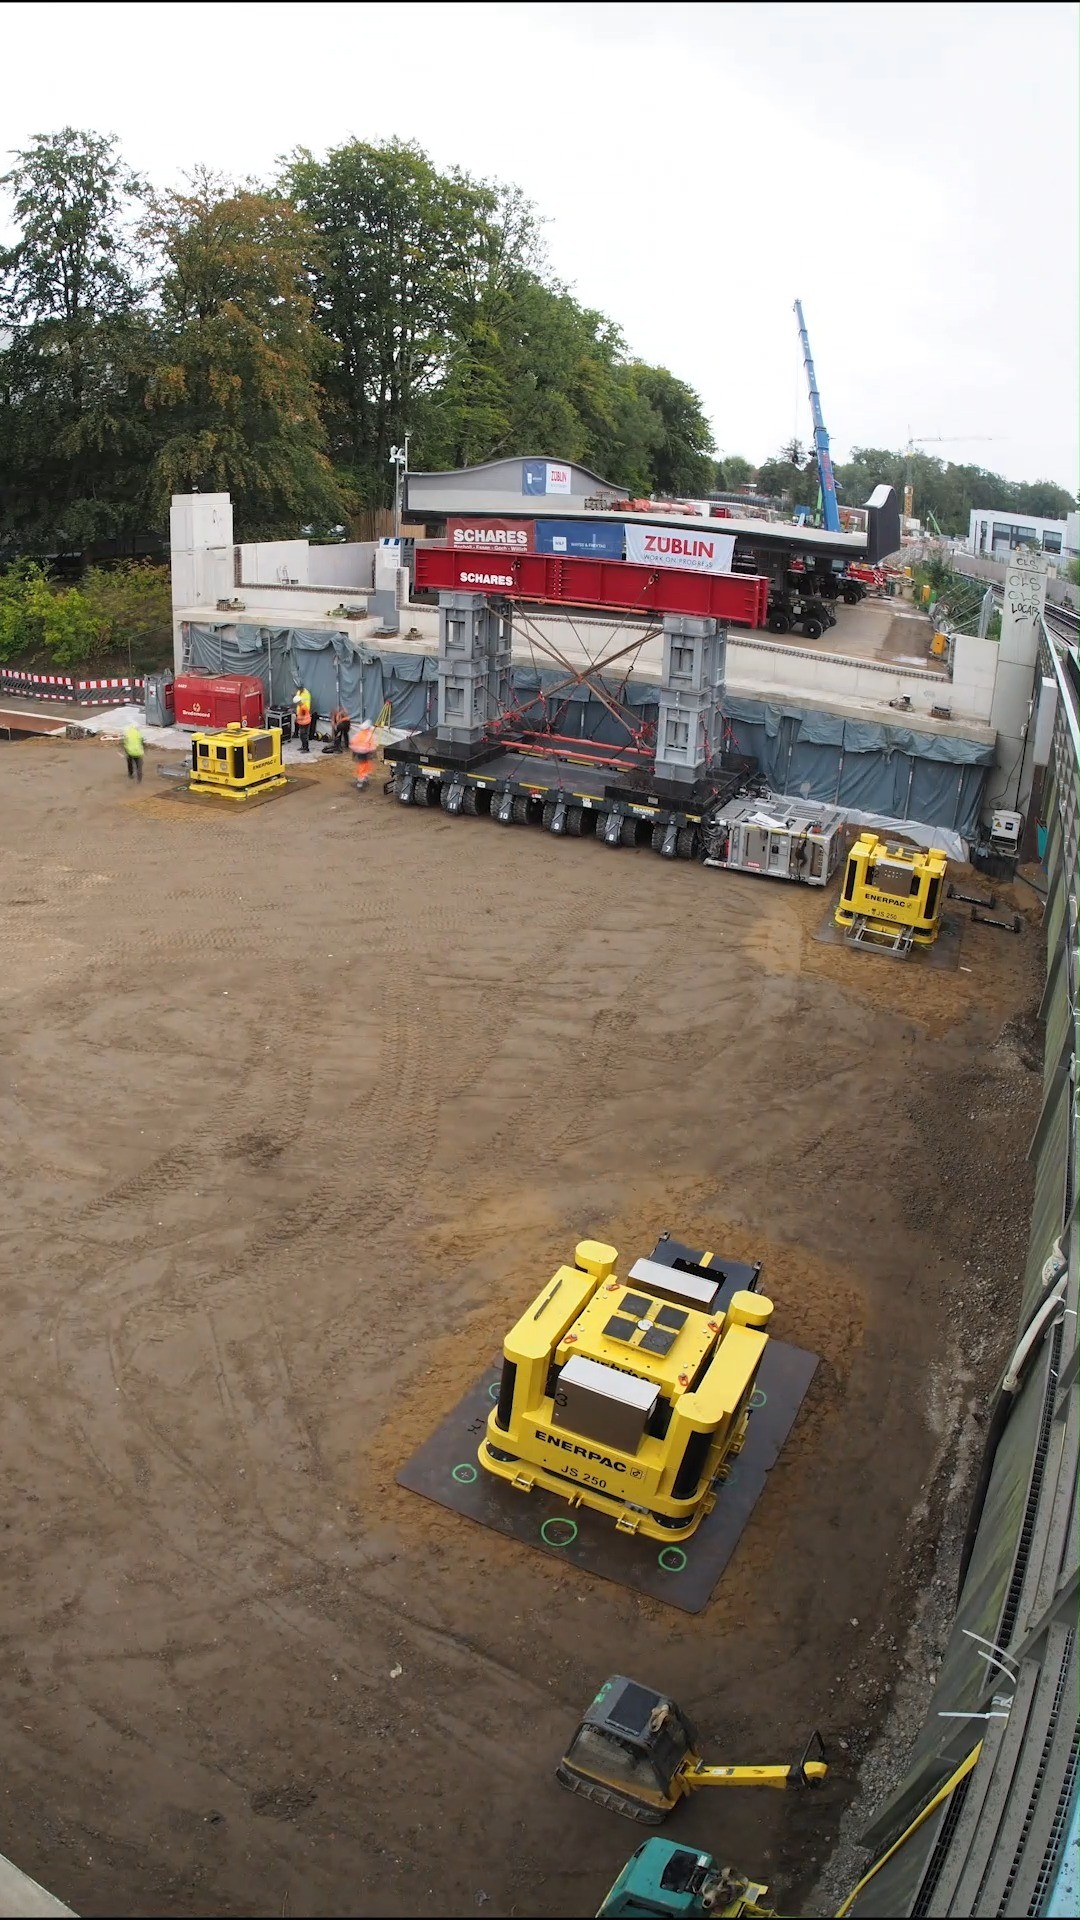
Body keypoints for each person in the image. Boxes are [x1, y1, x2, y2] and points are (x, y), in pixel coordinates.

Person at [350, 719, 378, 791]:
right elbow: (373, 745)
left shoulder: (359, 734)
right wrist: (372, 752)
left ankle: (362, 778)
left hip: (358, 752)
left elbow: (352, 742)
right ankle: (361, 780)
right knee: (364, 765)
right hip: (365, 752)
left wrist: (354, 752)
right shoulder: (369, 735)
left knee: (362, 765)